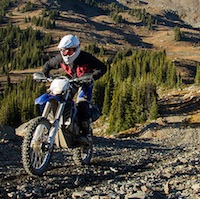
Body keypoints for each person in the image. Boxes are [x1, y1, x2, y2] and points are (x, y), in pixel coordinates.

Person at [42, 34, 107, 140]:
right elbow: (48, 65)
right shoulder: (60, 58)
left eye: (69, 51)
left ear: (76, 49)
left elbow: (102, 68)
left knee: (83, 104)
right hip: (70, 81)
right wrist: (44, 75)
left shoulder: (85, 57)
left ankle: (85, 135)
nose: (66, 54)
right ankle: (60, 125)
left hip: (85, 82)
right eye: (64, 51)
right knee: (60, 99)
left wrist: (92, 76)